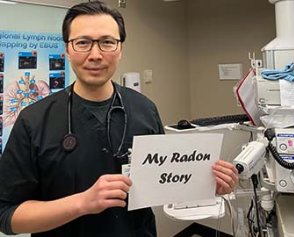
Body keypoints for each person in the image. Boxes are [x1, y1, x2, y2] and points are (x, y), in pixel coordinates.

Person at [0, 1, 238, 236]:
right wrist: (82, 203)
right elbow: (7, 216)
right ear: (68, 50)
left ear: (120, 49)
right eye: (82, 43)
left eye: (107, 42)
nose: (95, 55)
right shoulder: (33, 121)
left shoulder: (145, 109)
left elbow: (165, 184)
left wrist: (205, 184)